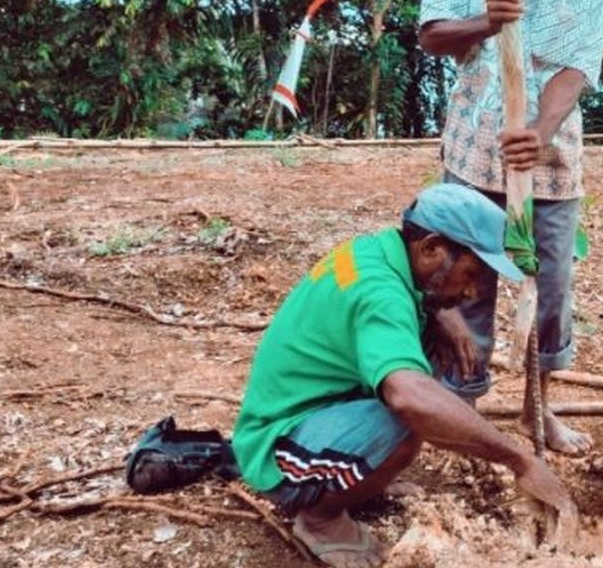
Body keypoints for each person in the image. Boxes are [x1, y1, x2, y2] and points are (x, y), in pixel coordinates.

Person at [231, 183, 574, 568]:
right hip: (276, 446)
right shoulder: (381, 295)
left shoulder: (380, 254)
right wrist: (520, 461)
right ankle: (320, 518)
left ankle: (357, 475)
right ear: (430, 248)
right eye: (471, 273)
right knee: (407, 418)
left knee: (426, 355)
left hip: (311, 407)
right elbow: (410, 397)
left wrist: (440, 311)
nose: (473, 292)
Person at [417, 0, 603, 454]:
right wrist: (487, 20)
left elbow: (579, 64)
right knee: (463, 277)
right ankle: (461, 405)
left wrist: (539, 130)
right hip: (474, 144)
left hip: (550, 156)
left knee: (549, 283)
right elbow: (431, 34)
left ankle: (539, 407)